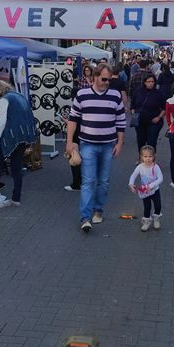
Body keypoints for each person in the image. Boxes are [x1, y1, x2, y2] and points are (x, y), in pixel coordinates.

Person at [66, 63, 125, 232]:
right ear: (95, 77)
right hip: (88, 145)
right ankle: (85, 217)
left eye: (109, 79)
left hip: (108, 145)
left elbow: (121, 121)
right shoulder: (82, 94)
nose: (107, 82)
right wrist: (69, 142)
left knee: (104, 182)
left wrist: (120, 143)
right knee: (88, 181)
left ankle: (98, 209)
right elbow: (72, 119)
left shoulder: (115, 95)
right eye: (104, 79)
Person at [0, 80, 38, 207]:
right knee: (16, 167)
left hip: (12, 136)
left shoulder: (5, 99)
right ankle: (16, 198)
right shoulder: (19, 96)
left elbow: (2, 121)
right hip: (23, 135)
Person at [128, 145, 164, 232]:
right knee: (147, 207)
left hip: (155, 190)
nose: (148, 159)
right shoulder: (140, 167)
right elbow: (133, 175)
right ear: (141, 157)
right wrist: (131, 184)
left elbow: (160, 178)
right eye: (145, 156)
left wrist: (151, 186)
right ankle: (146, 221)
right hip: (145, 192)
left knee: (158, 206)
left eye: (150, 156)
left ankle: (156, 219)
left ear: (154, 156)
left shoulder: (156, 167)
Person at [130, 73, 167, 152]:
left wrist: (159, 117)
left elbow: (165, 108)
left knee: (151, 142)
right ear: (144, 82)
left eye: (152, 82)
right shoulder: (138, 92)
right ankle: (141, 159)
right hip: (140, 121)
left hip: (154, 121)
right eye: (148, 81)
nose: (150, 84)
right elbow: (132, 105)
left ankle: (152, 159)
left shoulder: (158, 93)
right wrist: (134, 114)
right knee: (141, 141)